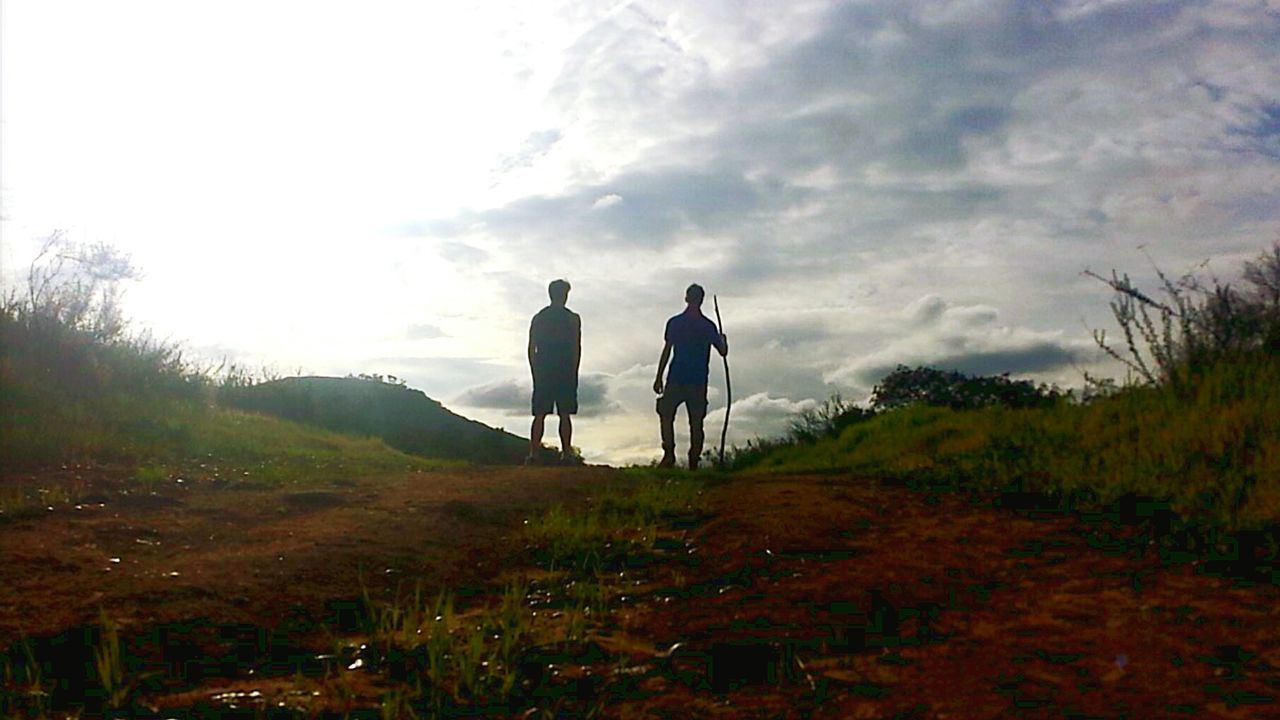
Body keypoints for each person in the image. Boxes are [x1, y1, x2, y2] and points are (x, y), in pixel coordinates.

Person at [653, 283, 728, 469]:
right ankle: (692, 460)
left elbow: (667, 350)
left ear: (687, 298)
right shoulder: (708, 326)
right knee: (695, 422)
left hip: (678, 377)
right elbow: (723, 352)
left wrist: (659, 376)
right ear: (700, 300)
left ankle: (670, 454)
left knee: (667, 413)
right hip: (697, 380)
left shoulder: (675, 322)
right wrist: (723, 339)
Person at [528, 279, 582, 465]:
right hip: (564, 370)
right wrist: (574, 371)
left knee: (540, 413)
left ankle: (535, 454)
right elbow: (576, 347)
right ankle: (566, 453)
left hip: (544, 370)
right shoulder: (572, 318)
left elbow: (531, 348)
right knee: (564, 413)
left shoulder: (539, 317)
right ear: (565, 295)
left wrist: (535, 370)